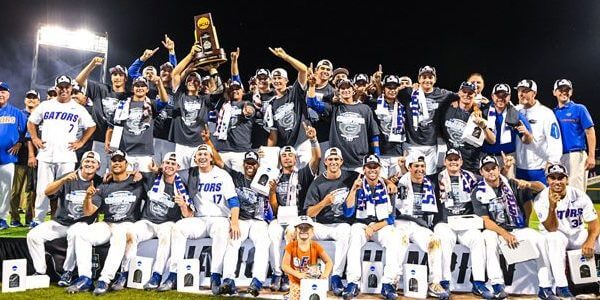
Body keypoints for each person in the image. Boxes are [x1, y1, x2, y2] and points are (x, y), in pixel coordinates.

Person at [157, 144, 240, 295]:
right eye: (199, 154)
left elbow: (234, 201)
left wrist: (234, 222)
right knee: (179, 227)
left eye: (205, 154)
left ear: (211, 158)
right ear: (195, 158)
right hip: (200, 219)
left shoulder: (222, 175)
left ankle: (215, 277)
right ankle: (173, 274)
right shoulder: (191, 173)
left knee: (222, 230)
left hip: (219, 218)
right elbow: (169, 172)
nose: (202, 156)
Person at [472, 155, 556, 300]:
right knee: (487, 237)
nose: (491, 172)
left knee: (541, 240)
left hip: (517, 228)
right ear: (481, 172)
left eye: (493, 168)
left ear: (499, 169)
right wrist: (505, 234)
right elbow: (485, 221)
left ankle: (545, 287)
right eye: (487, 169)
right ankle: (497, 285)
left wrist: (528, 185)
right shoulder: (478, 192)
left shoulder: (511, 183)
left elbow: (542, 188)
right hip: (497, 231)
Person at [66, 150, 146, 295]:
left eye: (120, 160)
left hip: (127, 223)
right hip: (108, 223)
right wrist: (88, 198)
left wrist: (138, 173)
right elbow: (88, 212)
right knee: (82, 234)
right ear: (110, 164)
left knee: (120, 234)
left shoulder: (137, 182)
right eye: (114, 160)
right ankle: (85, 278)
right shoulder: (104, 186)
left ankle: (105, 279)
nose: (116, 162)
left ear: (126, 164)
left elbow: (162, 173)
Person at [28, 75, 96, 228]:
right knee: (42, 190)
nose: (64, 90)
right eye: (61, 87)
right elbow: (31, 122)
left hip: (66, 155)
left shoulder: (78, 108)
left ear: (71, 88)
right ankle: (38, 220)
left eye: (67, 87)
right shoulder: (46, 105)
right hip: (46, 153)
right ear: (56, 88)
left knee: (66, 190)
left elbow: (91, 126)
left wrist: (81, 142)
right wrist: (35, 139)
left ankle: (63, 218)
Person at [26, 151, 102, 287]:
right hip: (61, 222)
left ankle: (68, 272)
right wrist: (62, 180)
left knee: (75, 232)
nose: (89, 164)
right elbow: (47, 191)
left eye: (93, 162)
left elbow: (88, 212)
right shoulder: (69, 176)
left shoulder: (99, 182)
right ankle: (40, 271)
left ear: (98, 166)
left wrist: (88, 197)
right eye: (87, 161)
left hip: (83, 223)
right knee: (33, 235)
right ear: (81, 163)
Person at [118, 152, 190, 290]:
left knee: (166, 237)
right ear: (162, 165)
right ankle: (125, 273)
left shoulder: (182, 187)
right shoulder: (152, 178)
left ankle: (157, 275)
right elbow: (129, 173)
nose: (169, 166)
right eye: (167, 163)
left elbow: (188, 215)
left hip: (167, 222)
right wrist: (132, 173)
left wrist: (182, 205)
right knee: (130, 233)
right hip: (148, 222)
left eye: (173, 164)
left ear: (178, 167)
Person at [432, 149, 493, 298]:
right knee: (444, 239)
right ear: (445, 162)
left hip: (465, 222)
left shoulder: (472, 177)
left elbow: (492, 178)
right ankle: (444, 282)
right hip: (445, 222)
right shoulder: (435, 178)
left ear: (461, 161)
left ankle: (478, 282)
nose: (453, 162)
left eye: (456, 159)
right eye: (450, 159)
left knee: (478, 239)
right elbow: (416, 177)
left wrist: (507, 169)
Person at [267, 123, 320, 292]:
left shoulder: (302, 174)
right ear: (280, 159)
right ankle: (277, 273)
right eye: (284, 156)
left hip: (298, 218)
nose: (288, 158)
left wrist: (313, 140)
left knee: (291, 232)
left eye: (291, 155)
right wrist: (272, 192)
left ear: (296, 159)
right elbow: (274, 208)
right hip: (280, 217)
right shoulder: (275, 176)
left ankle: (292, 275)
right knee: (273, 233)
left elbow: (316, 159)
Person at [342, 154, 402, 300]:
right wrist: (353, 190)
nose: (372, 170)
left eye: (375, 167)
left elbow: (392, 217)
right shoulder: (357, 184)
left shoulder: (389, 187)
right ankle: (353, 282)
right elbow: (348, 212)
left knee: (394, 238)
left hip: (380, 225)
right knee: (354, 236)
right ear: (364, 169)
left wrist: (374, 227)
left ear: (380, 169)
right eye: (369, 167)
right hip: (361, 224)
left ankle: (388, 283)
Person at [534, 163, 598, 299]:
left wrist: (590, 241)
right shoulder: (541, 198)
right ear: (547, 180)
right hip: (554, 236)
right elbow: (551, 228)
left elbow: (594, 223)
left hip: (577, 235)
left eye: (560, 178)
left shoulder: (579, 195)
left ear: (567, 179)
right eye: (553, 178)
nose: (557, 181)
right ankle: (562, 287)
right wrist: (552, 206)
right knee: (555, 238)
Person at [303, 147, 355, 295]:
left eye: (336, 159)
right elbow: (309, 212)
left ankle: (336, 276)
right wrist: (323, 203)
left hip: (340, 223)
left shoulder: (350, 177)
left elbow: (371, 174)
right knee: (302, 231)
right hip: (321, 224)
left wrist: (388, 181)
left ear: (341, 161)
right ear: (325, 162)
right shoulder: (317, 183)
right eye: (330, 159)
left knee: (346, 231)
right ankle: (298, 276)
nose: (333, 162)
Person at [394, 154, 447, 299]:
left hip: (419, 226)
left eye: (422, 166)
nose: (420, 169)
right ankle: (394, 280)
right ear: (409, 168)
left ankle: (434, 283)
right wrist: (400, 168)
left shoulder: (431, 184)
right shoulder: (399, 181)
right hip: (402, 222)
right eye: (416, 166)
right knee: (400, 240)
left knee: (434, 240)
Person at [168, 45, 221, 176]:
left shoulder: (205, 99)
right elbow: (175, 73)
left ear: (200, 84)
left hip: (199, 144)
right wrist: (191, 55)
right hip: (181, 144)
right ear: (185, 83)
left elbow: (219, 90)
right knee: (179, 175)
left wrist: (212, 69)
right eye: (189, 80)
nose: (192, 81)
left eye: (195, 80)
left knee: (198, 176)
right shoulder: (179, 95)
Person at [307, 77, 380, 171]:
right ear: (339, 91)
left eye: (348, 88)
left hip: (360, 162)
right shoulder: (334, 109)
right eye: (342, 88)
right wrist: (312, 86)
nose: (346, 90)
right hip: (338, 162)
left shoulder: (365, 109)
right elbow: (312, 103)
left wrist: (377, 154)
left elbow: (374, 134)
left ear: (353, 90)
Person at [398, 65, 459, 175]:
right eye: (424, 77)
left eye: (430, 77)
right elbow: (388, 94)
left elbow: (462, 96)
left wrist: (475, 107)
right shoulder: (409, 92)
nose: (427, 80)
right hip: (412, 144)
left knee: (430, 177)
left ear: (435, 79)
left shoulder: (441, 94)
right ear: (419, 79)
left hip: (431, 145)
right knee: (411, 177)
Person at [76, 58, 131, 174]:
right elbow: (79, 80)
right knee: (98, 173)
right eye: (114, 74)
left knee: (118, 174)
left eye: (120, 75)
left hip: (121, 142)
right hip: (98, 139)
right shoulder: (101, 89)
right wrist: (92, 65)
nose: (117, 77)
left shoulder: (130, 96)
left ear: (126, 78)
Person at [106, 76, 168, 173]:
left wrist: (159, 83)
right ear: (132, 88)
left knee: (145, 183)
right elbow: (112, 126)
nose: (140, 88)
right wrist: (108, 141)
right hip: (126, 152)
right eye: (137, 86)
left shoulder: (152, 105)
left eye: (143, 86)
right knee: (126, 183)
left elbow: (164, 101)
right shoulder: (122, 105)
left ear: (147, 89)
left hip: (145, 152)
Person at [212, 48, 258, 173]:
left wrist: (249, 111)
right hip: (222, 149)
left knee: (239, 183)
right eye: (232, 89)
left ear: (242, 91)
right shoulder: (223, 104)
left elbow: (250, 110)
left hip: (240, 150)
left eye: (238, 89)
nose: (235, 91)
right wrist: (213, 67)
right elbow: (219, 84)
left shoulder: (247, 103)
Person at [265, 47, 311, 167]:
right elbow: (273, 134)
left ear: (286, 80)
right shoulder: (271, 104)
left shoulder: (294, 92)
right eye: (274, 78)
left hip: (303, 141)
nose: (277, 81)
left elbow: (303, 70)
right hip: (287, 147)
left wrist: (286, 57)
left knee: (306, 174)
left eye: (279, 78)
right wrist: (267, 154)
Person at [514, 79, 562, 185]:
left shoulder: (546, 113)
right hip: (519, 168)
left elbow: (555, 140)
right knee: (522, 201)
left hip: (539, 169)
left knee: (542, 201)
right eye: (519, 91)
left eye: (526, 91)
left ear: (534, 93)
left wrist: (552, 163)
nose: (522, 94)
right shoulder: (515, 111)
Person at [552, 79, 595, 191]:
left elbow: (590, 132)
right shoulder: (552, 113)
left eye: (567, 90)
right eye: (560, 90)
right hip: (558, 157)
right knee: (560, 193)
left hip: (576, 155)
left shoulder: (579, 108)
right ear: (554, 92)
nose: (564, 92)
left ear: (571, 92)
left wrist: (591, 156)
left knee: (576, 192)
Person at [481, 83, 533, 176]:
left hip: (508, 157)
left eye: (504, 95)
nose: (501, 98)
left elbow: (527, 141)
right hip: (487, 157)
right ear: (492, 96)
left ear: (509, 97)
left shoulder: (516, 115)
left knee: (509, 186)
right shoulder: (484, 112)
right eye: (498, 95)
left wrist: (526, 133)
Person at [442, 82, 495, 173]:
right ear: (459, 93)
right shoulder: (448, 109)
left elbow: (492, 140)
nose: (467, 95)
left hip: (471, 166)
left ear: (475, 95)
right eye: (464, 92)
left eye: (470, 93)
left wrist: (484, 127)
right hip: (452, 164)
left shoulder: (481, 114)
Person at [281, 216, 333, 300]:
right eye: (300, 227)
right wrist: (298, 274)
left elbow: (328, 262)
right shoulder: (291, 247)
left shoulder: (316, 246)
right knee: (297, 296)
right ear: (295, 231)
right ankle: (290, 295)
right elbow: (284, 265)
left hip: (312, 280)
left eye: (307, 228)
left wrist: (325, 275)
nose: (303, 230)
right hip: (296, 281)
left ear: (312, 231)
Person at [0, 81, 28, 229]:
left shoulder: (16, 112)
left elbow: (27, 131)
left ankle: (2, 219)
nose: (0, 94)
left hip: (7, 158)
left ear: (8, 94)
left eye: (3, 91)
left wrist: (20, 143)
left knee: (5, 190)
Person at [10, 89, 39, 227]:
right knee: (16, 190)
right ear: (25, 100)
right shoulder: (18, 114)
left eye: (34, 98)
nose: (31, 100)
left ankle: (29, 218)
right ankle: (14, 218)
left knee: (31, 191)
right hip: (19, 157)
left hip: (37, 158)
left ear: (39, 100)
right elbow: (13, 132)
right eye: (29, 97)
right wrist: (20, 141)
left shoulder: (42, 115)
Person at [373, 75, 407, 178]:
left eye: (395, 87)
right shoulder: (375, 103)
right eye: (389, 87)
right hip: (381, 152)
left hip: (397, 152)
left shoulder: (403, 104)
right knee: (381, 185)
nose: (392, 90)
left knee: (397, 185)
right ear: (384, 89)